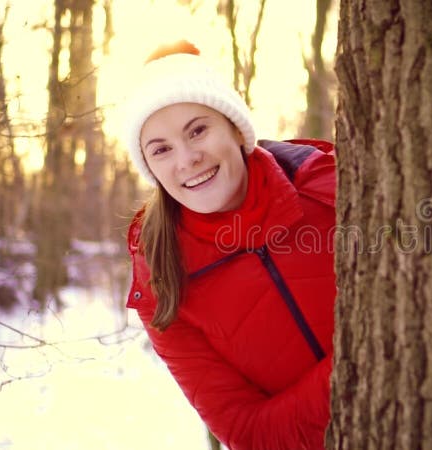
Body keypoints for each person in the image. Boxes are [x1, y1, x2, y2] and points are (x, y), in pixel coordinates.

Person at [120, 40, 336, 450]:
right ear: (151, 168)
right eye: (161, 149)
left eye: (198, 130)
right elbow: (250, 434)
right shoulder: (161, 283)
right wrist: (363, 366)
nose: (187, 159)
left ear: (237, 128)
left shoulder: (325, 183)